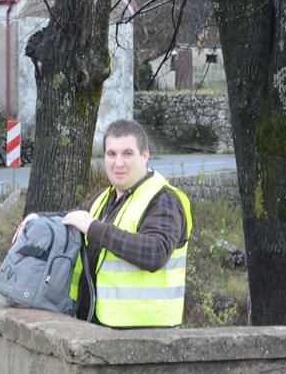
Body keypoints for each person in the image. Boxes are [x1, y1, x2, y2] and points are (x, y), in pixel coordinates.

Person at [15, 119, 192, 328]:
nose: (118, 163)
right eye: (111, 154)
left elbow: (155, 252)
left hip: (145, 335)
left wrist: (94, 229)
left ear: (145, 156)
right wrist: (38, 217)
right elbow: (74, 217)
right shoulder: (106, 197)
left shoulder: (164, 200)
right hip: (100, 327)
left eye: (127, 154)